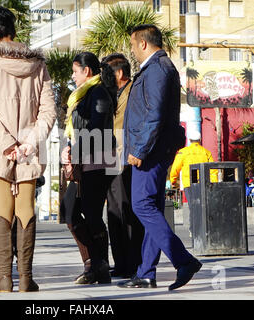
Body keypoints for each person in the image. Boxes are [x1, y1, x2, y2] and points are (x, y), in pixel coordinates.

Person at [0, 6, 56, 292]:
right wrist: (28, 143)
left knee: (2, 211)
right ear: (15, 33)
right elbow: (48, 112)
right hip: (29, 150)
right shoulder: (37, 65)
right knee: (26, 210)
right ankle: (26, 279)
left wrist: (8, 145)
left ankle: (5, 278)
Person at [118, 24, 202, 291]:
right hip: (155, 149)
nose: (132, 51)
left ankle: (183, 261)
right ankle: (145, 272)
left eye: (132, 45)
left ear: (143, 44)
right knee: (151, 207)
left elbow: (153, 115)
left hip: (150, 152)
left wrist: (139, 150)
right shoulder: (159, 68)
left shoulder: (157, 69)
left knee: (142, 205)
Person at [61, 51, 117, 285]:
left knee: (92, 214)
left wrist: (76, 149)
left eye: (75, 71)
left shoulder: (99, 92)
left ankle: (100, 266)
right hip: (82, 158)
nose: (73, 76)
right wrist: (68, 148)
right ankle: (92, 263)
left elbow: (97, 127)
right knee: (70, 212)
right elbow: (75, 128)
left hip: (99, 160)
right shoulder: (80, 96)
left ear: (87, 71)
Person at [101, 53, 144, 278]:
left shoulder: (132, 91)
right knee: (113, 211)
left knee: (125, 210)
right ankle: (121, 262)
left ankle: (131, 262)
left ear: (119, 73)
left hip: (125, 159)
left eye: (107, 72)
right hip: (111, 158)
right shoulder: (111, 93)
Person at [169, 130, 217, 236]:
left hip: (189, 183)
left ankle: (193, 229)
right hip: (204, 183)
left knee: (192, 206)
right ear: (200, 140)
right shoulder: (206, 152)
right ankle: (204, 228)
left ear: (189, 140)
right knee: (203, 206)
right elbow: (213, 170)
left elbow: (175, 168)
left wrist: (173, 181)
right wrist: (213, 183)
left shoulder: (183, 152)